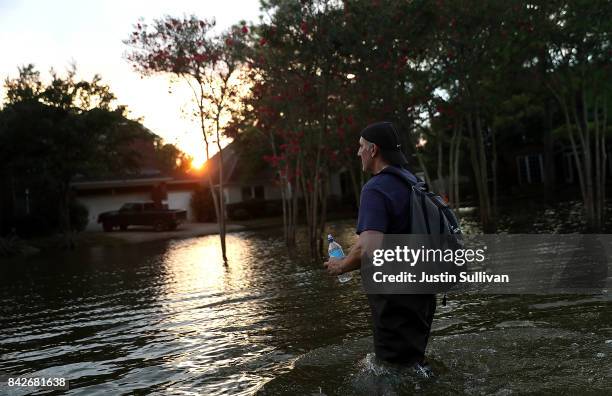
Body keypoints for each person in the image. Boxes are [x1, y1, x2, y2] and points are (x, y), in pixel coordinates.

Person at [324, 121, 437, 367]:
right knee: (414, 363)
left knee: (393, 371)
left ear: (373, 150)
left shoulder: (375, 189)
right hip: (424, 292)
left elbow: (368, 246)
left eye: (361, 146)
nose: (358, 152)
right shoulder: (411, 181)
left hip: (396, 299)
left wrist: (341, 266)